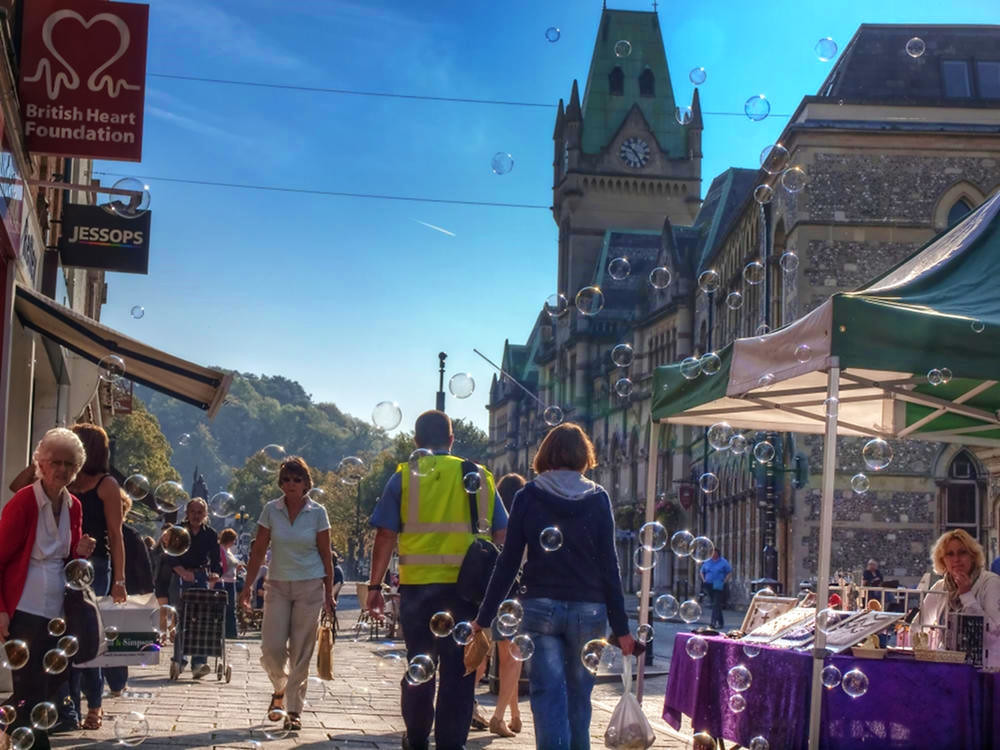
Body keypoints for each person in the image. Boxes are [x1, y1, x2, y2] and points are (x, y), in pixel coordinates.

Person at [473, 423, 635, 750]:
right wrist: (622, 628)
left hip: (539, 607)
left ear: (545, 454)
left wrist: (484, 617)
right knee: (579, 696)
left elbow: (508, 563)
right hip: (589, 610)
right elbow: (609, 565)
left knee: (547, 695)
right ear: (583, 456)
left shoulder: (528, 496)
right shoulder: (598, 498)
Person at [366, 410, 508, 750]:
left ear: (416, 441)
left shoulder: (404, 477)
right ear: (452, 439)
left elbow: (385, 535)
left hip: (418, 590)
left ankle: (416, 738)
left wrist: (374, 586)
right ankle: (451, 744)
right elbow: (503, 533)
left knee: (420, 665)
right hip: (467, 592)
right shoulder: (480, 476)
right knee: (459, 674)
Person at [0, 428, 97, 750]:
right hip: (23, 607)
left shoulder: (74, 506)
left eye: (69, 464)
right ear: (40, 463)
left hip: (58, 609)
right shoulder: (24, 502)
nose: (62, 469)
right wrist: (1, 610)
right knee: (29, 686)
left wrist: (81, 552)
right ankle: (31, 741)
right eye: (55, 462)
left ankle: (13, 729)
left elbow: (70, 562)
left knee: (51, 681)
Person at [239, 457, 335, 732]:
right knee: (271, 649)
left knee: (301, 652)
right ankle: (280, 687)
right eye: (286, 480)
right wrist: (247, 586)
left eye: (296, 479)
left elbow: (325, 554)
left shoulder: (318, 512)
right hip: (278, 584)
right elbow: (258, 550)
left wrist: (329, 592)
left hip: (309, 585)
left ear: (306, 483)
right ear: (281, 483)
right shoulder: (271, 509)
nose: (291, 484)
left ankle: (294, 711)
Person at [63, 424, 128, 731]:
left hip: (96, 567)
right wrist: (43, 458)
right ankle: (70, 708)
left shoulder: (106, 484)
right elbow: (17, 484)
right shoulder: (65, 479)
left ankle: (94, 705)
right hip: (65, 563)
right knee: (67, 638)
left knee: (88, 637)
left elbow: (116, 535)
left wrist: (119, 580)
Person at [483, 472, 528, 738]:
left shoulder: (493, 520)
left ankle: (515, 714)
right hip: (515, 596)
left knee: (500, 655)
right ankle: (498, 717)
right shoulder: (524, 520)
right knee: (512, 657)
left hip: (491, 592)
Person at [918, 529, 1000, 667]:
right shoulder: (940, 587)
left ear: (972, 556)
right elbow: (919, 625)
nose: (956, 559)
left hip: (985, 669)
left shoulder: (991, 582)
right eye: (950, 554)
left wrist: (966, 595)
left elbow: (994, 635)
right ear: (942, 560)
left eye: (962, 552)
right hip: (948, 667)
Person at [170, 498, 222, 678]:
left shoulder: (210, 534)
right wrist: (183, 572)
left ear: (205, 514)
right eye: (193, 512)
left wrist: (215, 574)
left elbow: (216, 560)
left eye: (200, 512)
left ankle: (199, 663)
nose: (196, 516)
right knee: (182, 618)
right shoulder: (178, 531)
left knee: (202, 619)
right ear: (187, 513)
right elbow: (170, 556)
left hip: (200, 576)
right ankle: (179, 660)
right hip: (180, 575)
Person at [216, 528, 244, 640]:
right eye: (234, 540)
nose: (234, 542)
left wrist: (237, 568)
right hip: (222, 581)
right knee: (226, 607)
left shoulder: (228, 551)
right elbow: (221, 565)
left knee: (231, 607)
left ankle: (231, 631)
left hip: (231, 580)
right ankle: (228, 631)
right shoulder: (220, 549)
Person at [700, 549, 732, 630]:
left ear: (718, 553)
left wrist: (725, 581)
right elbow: (702, 571)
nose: (713, 554)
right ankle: (721, 622)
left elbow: (729, 572)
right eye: (712, 552)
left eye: (714, 552)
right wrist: (704, 580)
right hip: (708, 583)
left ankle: (713, 623)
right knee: (715, 604)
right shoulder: (707, 561)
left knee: (715, 603)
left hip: (718, 583)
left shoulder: (723, 561)